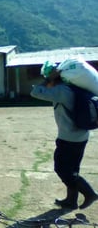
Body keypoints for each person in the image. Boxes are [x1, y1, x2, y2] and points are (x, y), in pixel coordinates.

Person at [30, 61, 98, 210]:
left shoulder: (62, 90)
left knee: (62, 169)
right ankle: (71, 201)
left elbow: (35, 92)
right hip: (81, 136)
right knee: (73, 169)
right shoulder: (73, 89)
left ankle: (90, 193)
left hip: (69, 138)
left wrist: (49, 79)